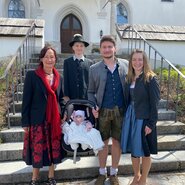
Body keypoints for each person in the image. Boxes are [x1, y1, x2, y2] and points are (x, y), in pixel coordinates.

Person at [88, 35, 128, 185]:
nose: (107, 49)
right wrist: (93, 106)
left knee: (117, 142)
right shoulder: (94, 69)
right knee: (102, 143)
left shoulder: (125, 65)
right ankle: (101, 172)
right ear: (100, 49)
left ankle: (114, 173)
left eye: (109, 47)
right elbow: (90, 91)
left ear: (114, 48)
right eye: (104, 47)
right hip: (103, 112)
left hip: (120, 111)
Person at [22, 45, 64, 185]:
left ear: (55, 59)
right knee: (37, 150)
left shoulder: (59, 77)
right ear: (41, 59)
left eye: (52, 57)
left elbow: (61, 99)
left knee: (53, 149)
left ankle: (51, 176)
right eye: (46, 56)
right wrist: (25, 122)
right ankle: (35, 178)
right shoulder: (32, 76)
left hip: (54, 121)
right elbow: (26, 101)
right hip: (37, 120)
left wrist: (63, 114)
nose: (49, 59)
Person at [121, 49, 160, 185]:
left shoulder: (150, 78)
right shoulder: (128, 78)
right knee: (134, 150)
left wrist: (151, 123)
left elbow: (154, 103)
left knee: (145, 150)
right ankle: (136, 176)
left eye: (140, 59)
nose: (137, 62)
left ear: (144, 61)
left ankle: (143, 179)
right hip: (130, 117)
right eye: (134, 59)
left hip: (144, 118)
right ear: (131, 62)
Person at [63, 33, 94, 102]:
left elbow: (91, 81)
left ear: (84, 47)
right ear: (73, 47)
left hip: (85, 97)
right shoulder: (67, 62)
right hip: (72, 97)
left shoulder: (90, 63)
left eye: (81, 46)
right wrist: (66, 95)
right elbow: (66, 79)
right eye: (76, 46)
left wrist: (90, 96)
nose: (79, 48)